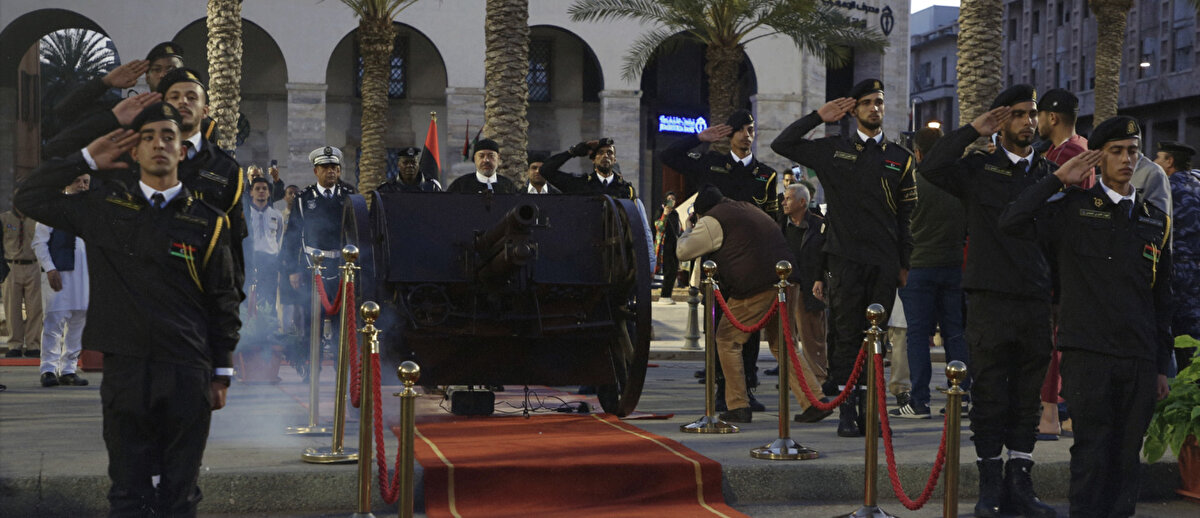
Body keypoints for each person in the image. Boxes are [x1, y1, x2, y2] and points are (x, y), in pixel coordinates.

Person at [15, 102, 240, 516]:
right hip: (127, 369)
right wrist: (84, 158)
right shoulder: (103, 208)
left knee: (181, 493)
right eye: (147, 137)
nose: (158, 144)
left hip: (187, 367)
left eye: (168, 137)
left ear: (182, 151)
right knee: (126, 491)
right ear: (133, 152)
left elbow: (222, 298)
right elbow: (29, 196)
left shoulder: (209, 221)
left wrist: (222, 369)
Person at [999, 116, 1170, 518]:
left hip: (1139, 356)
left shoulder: (1153, 220)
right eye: (1116, 151)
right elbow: (1011, 221)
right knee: (1092, 453)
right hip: (1088, 352)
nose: (1127, 159)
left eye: (1132, 150)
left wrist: (1161, 365)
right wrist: (1058, 179)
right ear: (1099, 157)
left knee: (1127, 458)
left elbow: (1162, 298)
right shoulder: (1072, 210)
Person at [920, 85, 1057, 518]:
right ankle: (990, 486)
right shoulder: (979, 166)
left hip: (1035, 298)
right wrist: (971, 131)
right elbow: (933, 167)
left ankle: (1021, 482)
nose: (1027, 122)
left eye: (1031, 114)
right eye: (1017, 114)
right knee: (991, 396)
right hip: (989, 299)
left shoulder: (1050, 173)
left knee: (1027, 398)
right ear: (1002, 121)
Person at [770, 78, 916, 438]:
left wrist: (904, 264)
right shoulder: (833, 149)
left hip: (883, 262)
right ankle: (848, 411)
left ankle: (873, 410)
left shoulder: (901, 157)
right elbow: (782, 143)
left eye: (879, 102)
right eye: (866, 102)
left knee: (877, 337)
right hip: (845, 260)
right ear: (854, 110)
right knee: (847, 336)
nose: (874, 109)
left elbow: (907, 217)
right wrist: (818, 116)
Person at [676, 186, 794, 423]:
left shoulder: (712, 219)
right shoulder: (747, 207)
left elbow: (683, 251)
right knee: (783, 345)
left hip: (755, 285)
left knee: (727, 340)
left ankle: (739, 404)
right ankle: (814, 400)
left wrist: (689, 229)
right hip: (785, 280)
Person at [891, 126, 972, 419]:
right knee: (954, 332)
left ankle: (919, 400)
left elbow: (899, 226)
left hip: (919, 267)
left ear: (918, 153)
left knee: (918, 335)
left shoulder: (913, 183)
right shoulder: (959, 184)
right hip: (953, 266)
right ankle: (961, 395)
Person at [281, 146, 356, 366]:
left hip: (341, 267)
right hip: (312, 267)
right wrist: (292, 270)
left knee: (340, 322)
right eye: (325, 168)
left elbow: (357, 232)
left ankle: (341, 371)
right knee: (310, 323)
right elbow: (293, 237)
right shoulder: (304, 199)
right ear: (316, 171)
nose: (331, 172)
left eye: (334, 167)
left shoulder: (349, 196)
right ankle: (311, 370)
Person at [661, 109, 780, 217]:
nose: (746, 135)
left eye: (750, 130)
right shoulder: (710, 164)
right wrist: (698, 138)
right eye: (739, 130)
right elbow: (667, 156)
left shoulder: (767, 174)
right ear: (729, 134)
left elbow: (772, 219)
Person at [31, 173, 91, 387]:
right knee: (54, 321)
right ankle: (48, 368)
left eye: (86, 182)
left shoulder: (92, 211)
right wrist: (49, 268)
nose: (83, 186)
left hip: (85, 276)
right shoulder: (51, 209)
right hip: (59, 274)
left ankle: (69, 369)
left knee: (78, 321)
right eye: (78, 181)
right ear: (67, 183)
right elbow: (39, 243)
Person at [779, 183, 832, 423]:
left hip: (811, 288)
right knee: (787, 339)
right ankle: (802, 384)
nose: (784, 202)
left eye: (788, 198)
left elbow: (825, 256)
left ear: (802, 202)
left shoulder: (819, 226)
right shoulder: (780, 225)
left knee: (813, 338)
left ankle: (818, 385)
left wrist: (821, 280)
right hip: (787, 289)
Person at [51, 42, 182, 127]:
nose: (163, 75)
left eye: (171, 69)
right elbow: (65, 111)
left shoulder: (193, 110)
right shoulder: (126, 109)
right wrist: (105, 82)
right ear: (147, 77)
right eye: (157, 69)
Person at [1154, 141, 1200, 371]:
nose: (1154, 163)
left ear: (1169, 162)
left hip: (1177, 272)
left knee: (1178, 337)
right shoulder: (1198, 184)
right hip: (1196, 271)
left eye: (1158, 158)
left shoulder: (1165, 189)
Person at [2, 207, 42, 358]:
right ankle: (15, 344)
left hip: (33, 264)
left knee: (35, 308)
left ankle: (34, 344)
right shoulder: (4, 219)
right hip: (11, 266)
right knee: (12, 308)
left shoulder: (38, 219)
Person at [539, 138, 636, 199]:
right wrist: (572, 152)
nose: (605, 156)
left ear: (614, 160)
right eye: (600, 153)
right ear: (593, 159)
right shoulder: (580, 184)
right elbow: (545, 171)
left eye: (609, 153)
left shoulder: (626, 189)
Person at [245, 177, 285, 309]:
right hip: (251, 259)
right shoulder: (245, 214)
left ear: (269, 193)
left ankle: (269, 327)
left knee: (269, 298)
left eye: (264, 189)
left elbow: (278, 236)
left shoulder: (276, 215)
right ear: (251, 192)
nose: (261, 191)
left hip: (270, 261)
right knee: (248, 297)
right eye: (257, 188)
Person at [446, 138, 517, 194]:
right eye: (481, 156)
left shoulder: (508, 186)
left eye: (491, 156)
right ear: (475, 158)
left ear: (498, 158)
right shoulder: (460, 185)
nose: (486, 160)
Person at [377, 147, 443, 193]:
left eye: (413, 162)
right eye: (405, 163)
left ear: (418, 164)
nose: (410, 166)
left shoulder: (432, 187)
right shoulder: (387, 189)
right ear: (399, 165)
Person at [656, 191, 681, 304]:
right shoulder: (660, 211)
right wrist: (665, 215)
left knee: (674, 270)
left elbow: (678, 229)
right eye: (669, 198)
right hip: (664, 245)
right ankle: (664, 296)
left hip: (674, 245)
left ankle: (668, 295)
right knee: (667, 270)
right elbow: (659, 228)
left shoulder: (675, 214)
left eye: (673, 199)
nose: (672, 201)